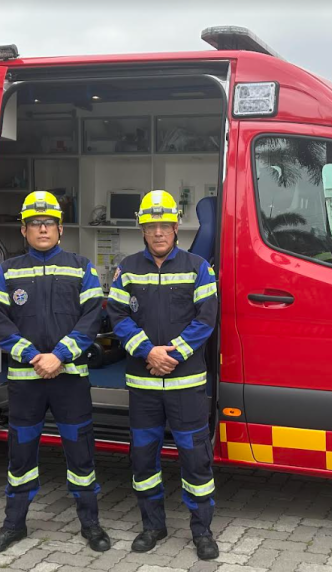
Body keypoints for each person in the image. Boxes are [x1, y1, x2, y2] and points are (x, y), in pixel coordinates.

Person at [0, 191, 110, 554]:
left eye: (49, 223)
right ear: (23, 230)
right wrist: (34, 358)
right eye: (36, 223)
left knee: (81, 454)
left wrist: (58, 356)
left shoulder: (81, 267)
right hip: (26, 384)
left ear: (61, 229)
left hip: (69, 380)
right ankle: (14, 525)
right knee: (20, 458)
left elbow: (92, 320)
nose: (43, 229)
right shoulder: (8, 271)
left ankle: (91, 524)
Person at [107, 190, 220, 560]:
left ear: (176, 227)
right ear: (143, 230)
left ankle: (202, 531)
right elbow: (117, 318)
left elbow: (206, 318)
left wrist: (174, 355)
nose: (158, 232)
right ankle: (152, 526)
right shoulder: (127, 269)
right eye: (151, 226)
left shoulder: (198, 267)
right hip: (143, 386)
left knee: (195, 459)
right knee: (143, 458)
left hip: (185, 385)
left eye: (164, 225)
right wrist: (147, 351)